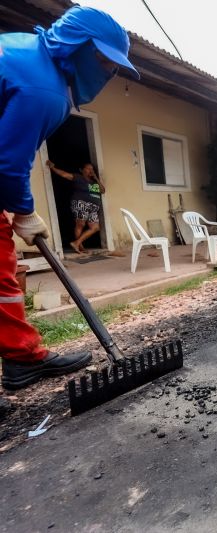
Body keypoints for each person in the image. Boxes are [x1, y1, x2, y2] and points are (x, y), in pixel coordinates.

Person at [1, 6, 139, 390]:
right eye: (104, 60)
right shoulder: (44, 89)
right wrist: (25, 210)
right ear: (77, 46)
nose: (111, 73)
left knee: (2, 274)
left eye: (115, 67)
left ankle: (21, 357)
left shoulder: (24, 52)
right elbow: (8, 163)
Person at [46, 160, 106, 253]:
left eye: (92, 169)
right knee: (80, 224)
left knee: (95, 228)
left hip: (93, 208)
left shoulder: (95, 182)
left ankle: (76, 243)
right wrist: (53, 167)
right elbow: (64, 174)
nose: (91, 170)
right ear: (81, 170)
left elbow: (102, 190)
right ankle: (80, 247)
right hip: (80, 203)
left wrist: (96, 178)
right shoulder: (78, 178)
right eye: (88, 168)